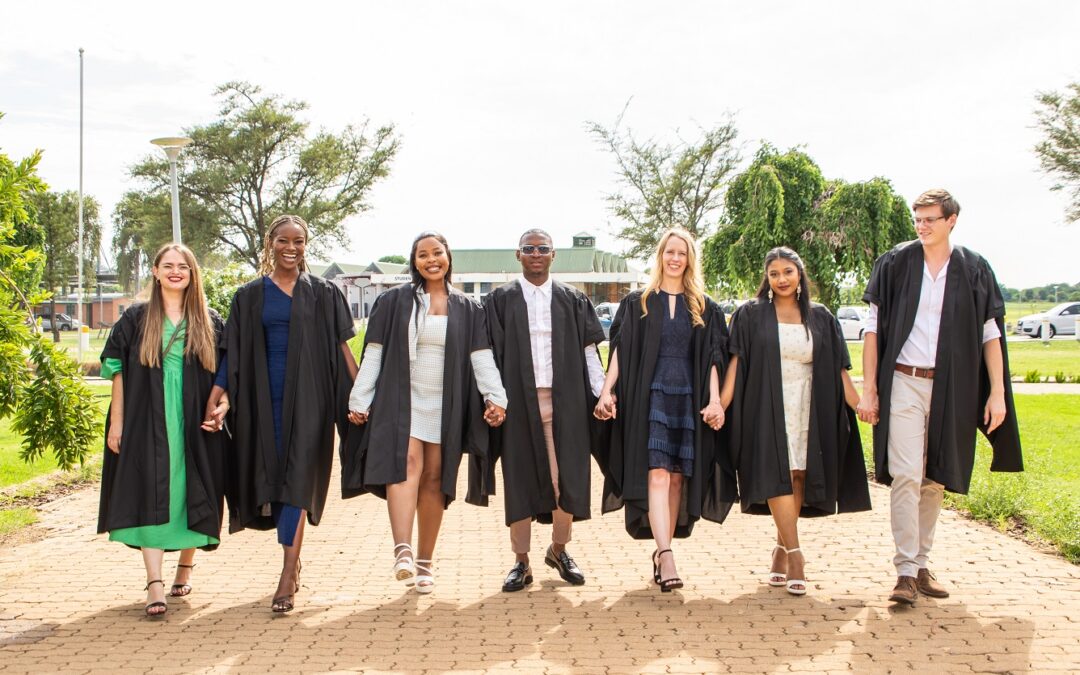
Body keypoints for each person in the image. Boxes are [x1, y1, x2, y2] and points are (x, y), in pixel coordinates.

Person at [856, 189, 1022, 605]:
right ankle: (905, 571)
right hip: (904, 381)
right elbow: (873, 331)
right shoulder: (894, 264)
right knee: (907, 473)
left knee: (934, 477)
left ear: (951, 221)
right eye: (918, 218)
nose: (922, 225)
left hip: (952, 386)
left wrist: (997, 393)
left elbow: (990, 334)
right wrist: (870, 387)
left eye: (930, 218)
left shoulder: (974, 269)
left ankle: (922, 563)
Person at [342, 231, 507, 594]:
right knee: (406, 465)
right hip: (403, 398)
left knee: (435, 478)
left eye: (437, 252)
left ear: (448, 256)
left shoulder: (468, 307)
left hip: (447, 402)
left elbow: (480, 357)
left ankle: (425, 562)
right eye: (422, 255)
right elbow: (374, 352)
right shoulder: (393, 301)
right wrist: (360, 398)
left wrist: (496, 398)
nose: (431, 260)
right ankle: (402, 549)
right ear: (414, 261)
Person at [210, 214, 358, 613]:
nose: (291, 248)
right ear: (269, 243)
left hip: (311, 401)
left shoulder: (325, 294)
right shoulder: (249, 296)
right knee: (272, 480)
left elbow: (344, 350)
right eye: (283, 241)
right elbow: (232, 352)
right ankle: (292, 559)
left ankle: (287, 573)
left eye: (299, 241)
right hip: (260, 401)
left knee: (297, 480)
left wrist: (361, 394)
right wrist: (219, 393)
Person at [719, 247, 871, 596]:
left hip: (808, 404)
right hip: (765, 404)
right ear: (766, 278)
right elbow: (736, 364)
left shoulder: (820, 317)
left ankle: (780, 549)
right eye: (774, 274)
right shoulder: (750, 315)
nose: (782, 279)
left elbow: (839, 370)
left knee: (799, 474)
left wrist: (863, 406)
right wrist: (721, 403)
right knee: (776, 474)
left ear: (800, 274)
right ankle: (797, 554)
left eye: (788, 272)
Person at [593, 227, 732, 593]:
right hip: (649, 395)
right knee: (656, 473)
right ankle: (666, 553)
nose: (675, 258)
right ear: (660, 256)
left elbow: (713, 360)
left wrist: (715, 401)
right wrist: (606, 392)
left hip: (687, 396)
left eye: (681, 253)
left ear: (689, 260)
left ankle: (660, 552)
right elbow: (619, 353)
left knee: (675, 478)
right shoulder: (638, 302)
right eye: (669, 252)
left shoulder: (704, 307)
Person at [97, 243, 228, 618]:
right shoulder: (136, 318)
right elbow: (117, 371)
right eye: (167, 266)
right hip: (145, 417)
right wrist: (117, 423)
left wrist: (224, 405)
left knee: (195, 488)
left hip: (195, 419)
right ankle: (154, 581)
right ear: (155, 272)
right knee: (150, 490)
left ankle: (185, 564)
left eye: (182, 267)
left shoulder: (209, 318)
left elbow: (227, 374)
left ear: (192, 274)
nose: (175, 272)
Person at [484, 229, 607, 592]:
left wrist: (602, 393)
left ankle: (558, 549)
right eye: (528, 248)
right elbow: (487, 354)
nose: (535, 254)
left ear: (554, 255)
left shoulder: (572, 299)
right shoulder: (500, 300)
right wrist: (491, 397)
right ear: (518, 255)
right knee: (519, 480)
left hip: (565, 401)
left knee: (564, 479)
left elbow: (589, 352)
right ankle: (521, 561)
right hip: (517, 403)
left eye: (542, 249)